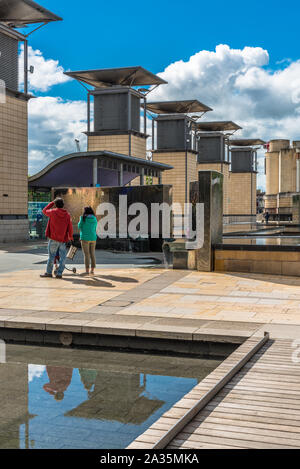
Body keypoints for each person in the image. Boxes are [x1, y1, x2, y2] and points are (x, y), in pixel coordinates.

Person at [40, 198, 73, 279]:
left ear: (56, 204)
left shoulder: (52, 212)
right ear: (63, 205)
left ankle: (48, 273)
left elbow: (44, 210)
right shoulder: (67, 215)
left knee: (51, 256)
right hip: (62, 240)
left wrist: (52, 203)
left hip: (53, 239)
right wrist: (70, 236)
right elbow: (70, 227)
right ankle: (59, 273)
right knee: (63, 257)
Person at [78, 206, 98, 275]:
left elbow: (79, 226)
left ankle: (87, 271)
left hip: (84, 238)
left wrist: (80, 220)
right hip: (93, 238)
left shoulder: (83, 218)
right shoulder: (95, 218)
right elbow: (95, 228)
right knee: (92, 254)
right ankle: (92, 270)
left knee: (86, 255)